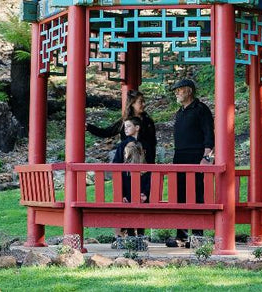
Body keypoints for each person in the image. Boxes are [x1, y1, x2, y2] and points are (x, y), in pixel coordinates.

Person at [88, 90, 156, 236]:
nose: (143, 104)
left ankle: (141, 235)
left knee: (143, 198)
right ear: (132, 104)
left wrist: (151, 164)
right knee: (127, 197)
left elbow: (153, 144)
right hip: (128, 167)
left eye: (143, 101)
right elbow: (106, 132)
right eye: (140, 102)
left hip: (144, 166)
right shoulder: (125, 121)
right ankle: (125, 233)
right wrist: (88, 127)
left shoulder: (148, 121)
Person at [166, 77, 213, 247]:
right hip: (179, 157)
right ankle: (182, 236)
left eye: (179, 89)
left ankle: (198, 236)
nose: (176, 92)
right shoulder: (180, 112)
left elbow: (209, 134)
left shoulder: (201, 109)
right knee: (180, 196)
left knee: (197, 195)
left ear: (189, 91)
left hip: (196, 156)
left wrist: (206, 157)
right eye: (176, 90)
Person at [110, 117, 149, 238]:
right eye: (125, 127)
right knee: (136, 210)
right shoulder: (124, 144)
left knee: (134, 210)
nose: (125, 129)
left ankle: (133, 236)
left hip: (133, 183)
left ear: (137, 128)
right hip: (130, 183)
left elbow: (115, 165)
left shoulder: (141, 144)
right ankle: (136, 236)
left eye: (129, 126)